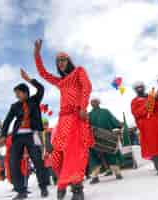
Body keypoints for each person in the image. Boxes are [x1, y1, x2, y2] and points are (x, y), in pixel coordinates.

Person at [34, 39, 94, 200]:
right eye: (58, 61)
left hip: (76, 116)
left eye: (63, 59)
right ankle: (62, 183)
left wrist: (82, 107)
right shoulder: (60, 82)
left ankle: (77, 189)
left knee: (74, 152)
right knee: (56, 154)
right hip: (63, 121)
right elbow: (43, 74)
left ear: (69, 61)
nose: (60, 63)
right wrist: (37, 54)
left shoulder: (78, 72)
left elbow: (87, 87)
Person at [0, 69, 49, 200]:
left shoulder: (35, 100)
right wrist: (2, 136)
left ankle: (43, 187)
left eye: (18, 93)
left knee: (38, 161)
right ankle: (21, 191)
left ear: (25, 92)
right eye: (15, 94)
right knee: (13, 162)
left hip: (32, 134)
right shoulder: (14, 106)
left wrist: (28, 79)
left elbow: (41, 88)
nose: (16, 96)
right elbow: (7, 121)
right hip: (17, 137)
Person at [88, 98, 123, 184]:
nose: (93, 103)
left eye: (95, 101)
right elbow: (86, 126)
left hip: (107, 137)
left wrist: (119, 125)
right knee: (94, 157)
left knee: (111, 154)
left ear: (99, 102)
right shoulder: (88, 115)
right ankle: (95, 177)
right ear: (90, 104)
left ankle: (117, 173)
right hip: (94, 139)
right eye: (92, 102)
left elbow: (113, 120)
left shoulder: (105, 111)